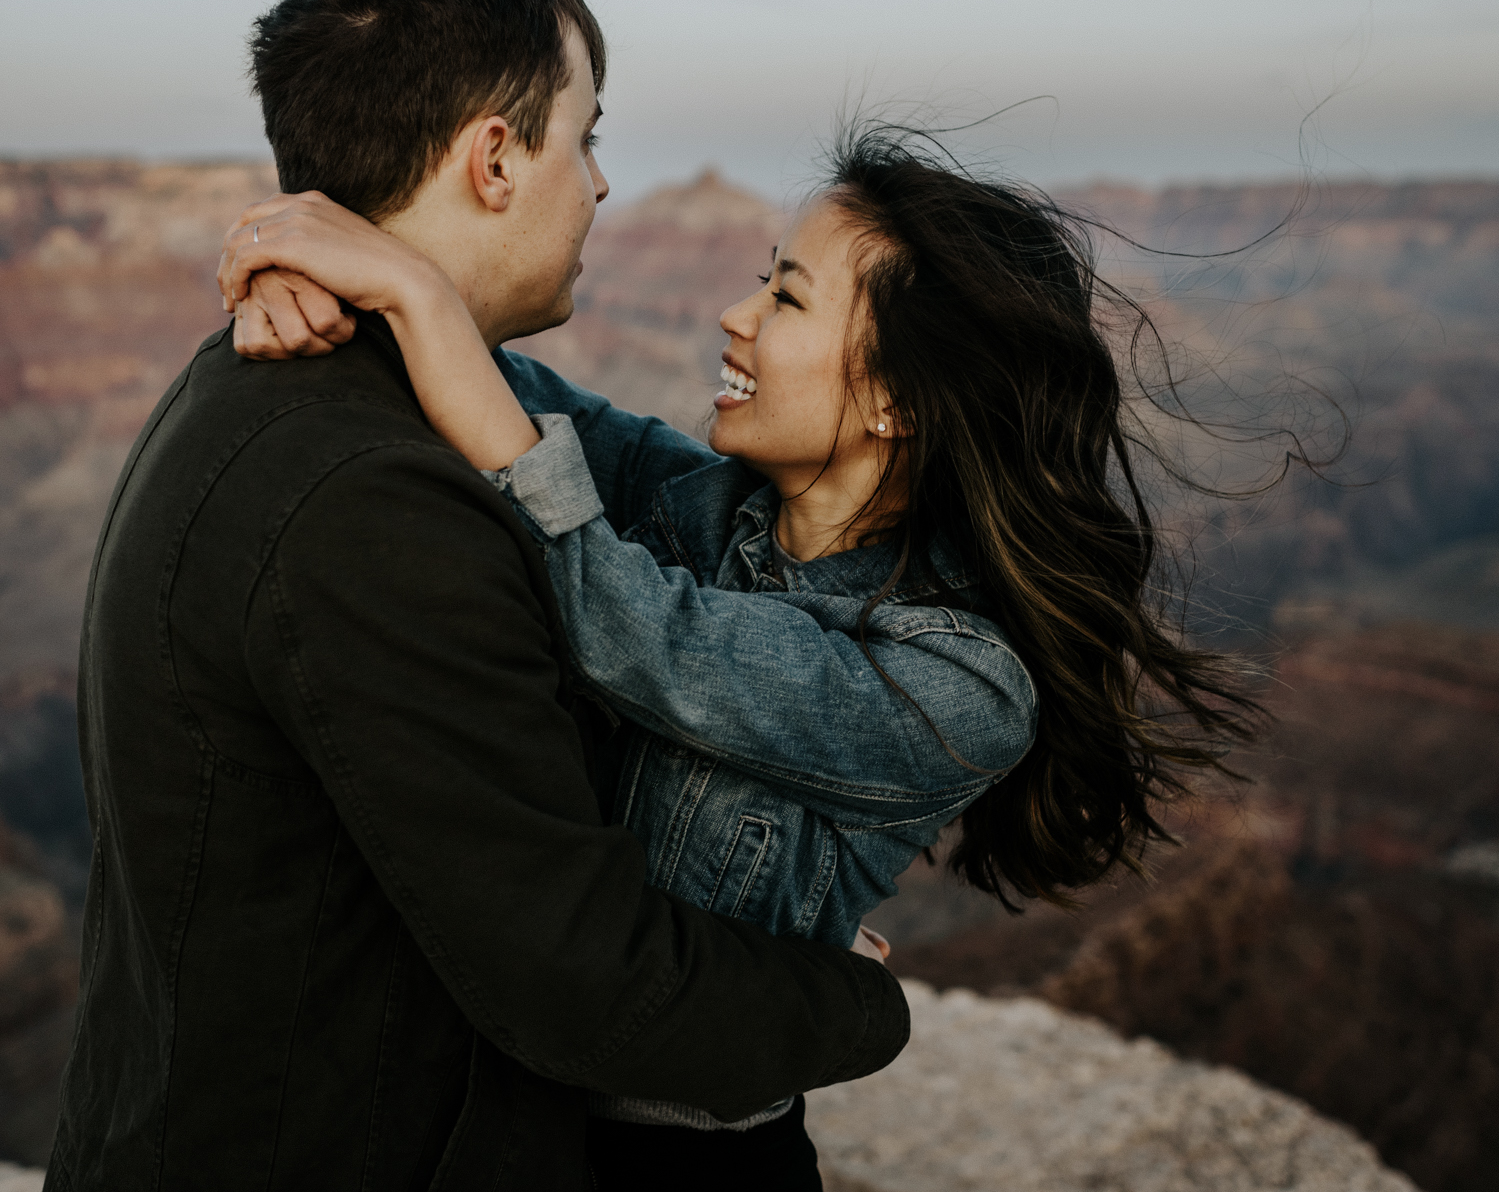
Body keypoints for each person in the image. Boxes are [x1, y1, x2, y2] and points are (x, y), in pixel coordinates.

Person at [219, 122, 1261, 1186]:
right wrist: (327, 294)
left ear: (898, 398)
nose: (734, 314)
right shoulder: (697, 503)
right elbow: (504, 390)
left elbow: (644, 637)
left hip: (686, 1165)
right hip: (510, 1123)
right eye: (760, 280)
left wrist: (419, 301)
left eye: (787, 298)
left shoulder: (958, 682)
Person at [46, 0, 910, 1192]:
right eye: (588, 133)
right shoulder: (372, 497)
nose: (604, 184)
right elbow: (578, 975)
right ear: (494, 160)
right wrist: (853, 1005)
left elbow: (625, 468)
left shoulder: (331, 389)